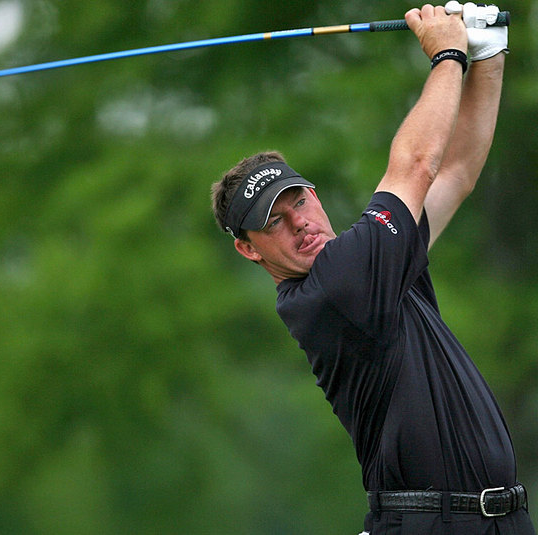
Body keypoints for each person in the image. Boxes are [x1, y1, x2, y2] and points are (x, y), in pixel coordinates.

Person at [211, 3, 535, 534]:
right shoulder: (334, 287)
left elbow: (455, 172)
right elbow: (417, 164)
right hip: (430, 523)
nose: (299, 222)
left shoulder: (375, 263)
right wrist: (448, 56)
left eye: (299, 200)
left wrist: (488, 55)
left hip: (495, 520)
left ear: (315, 194)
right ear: (249, 249)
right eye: (274, 221)